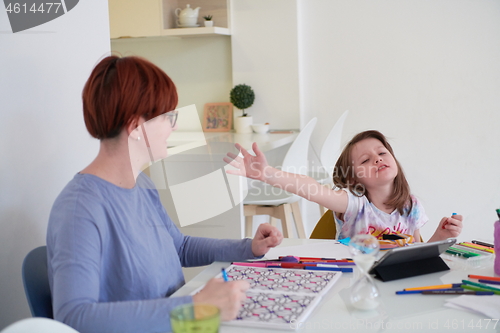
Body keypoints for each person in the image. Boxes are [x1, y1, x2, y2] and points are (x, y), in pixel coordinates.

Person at [46, 55, 283, 333]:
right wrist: (192, 308)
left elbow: (179, 247)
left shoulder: (142, 185)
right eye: (168, 117)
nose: (175, 126)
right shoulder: (79, 208)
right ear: (136, 127)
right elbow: (73, 318)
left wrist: (248, 248)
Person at [225, 130, 462, 242]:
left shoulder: (412, 206)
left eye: (381, 152)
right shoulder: (353, 204)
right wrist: (267, 173)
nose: (378, 158)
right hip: (351, 283)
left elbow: (415, 253)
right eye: (366, 160)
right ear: (353, 180)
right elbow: (312, 188)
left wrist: (441, 236)